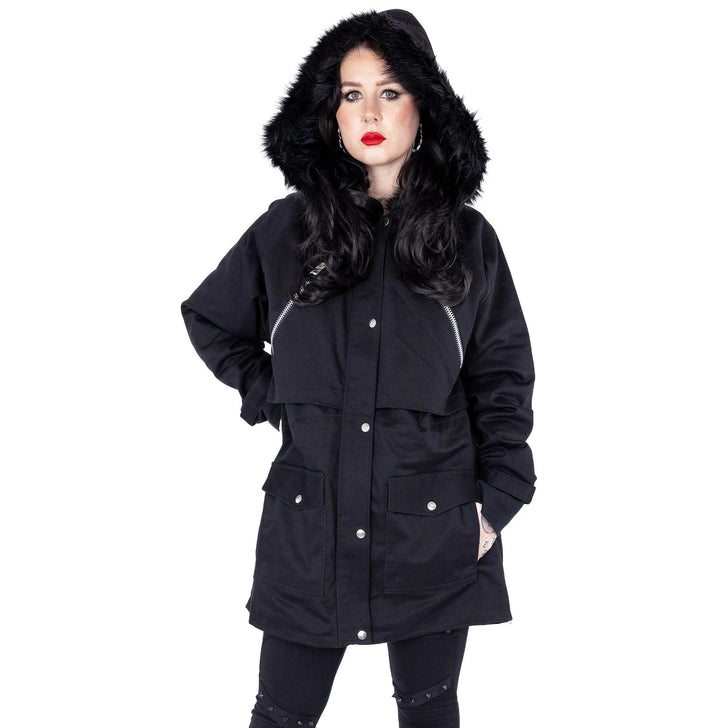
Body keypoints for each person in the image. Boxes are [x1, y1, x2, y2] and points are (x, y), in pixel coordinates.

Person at [180, 9, 536, 728]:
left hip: (432, 526)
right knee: (281, 714)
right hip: (310, 526)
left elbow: (502, 379)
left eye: (390, 92)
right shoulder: (287, 232)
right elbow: (211, 319)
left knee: (429, 711)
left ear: (424, 106)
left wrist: (495, 503)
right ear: (331, 112)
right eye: (352, 94)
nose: (370, 112)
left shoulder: (468, 241)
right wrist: (274, 394)